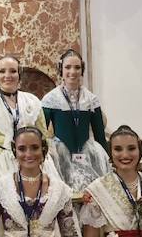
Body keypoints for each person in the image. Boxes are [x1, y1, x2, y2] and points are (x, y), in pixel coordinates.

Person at [0, 54, 57, 189]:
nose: (7, 75)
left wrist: (43, 164)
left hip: (31, 159)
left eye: (13, 71)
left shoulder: (32, 101)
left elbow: (43, 137)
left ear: (19, 75)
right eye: (2, 71)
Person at [40, 49, 110, 192]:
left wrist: (111, 160)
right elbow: (41, 133)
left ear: (82, 70)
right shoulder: (50, 99)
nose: (73, 71)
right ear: (61, 70)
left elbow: (100, 137)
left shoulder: (91, 99)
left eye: (77, 67)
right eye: (68, 67)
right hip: (60, 155)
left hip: (88, 154)